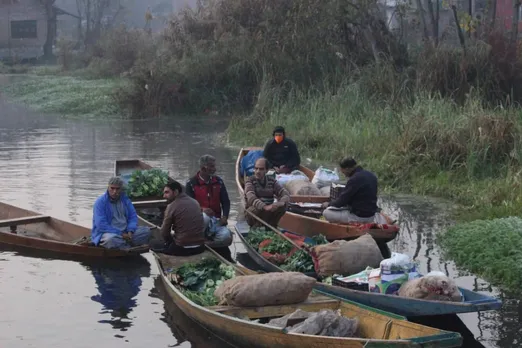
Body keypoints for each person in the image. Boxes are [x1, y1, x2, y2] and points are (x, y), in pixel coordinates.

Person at [186, 154, 233, 261]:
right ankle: (199, 238)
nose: (214, 169)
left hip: (216, 221)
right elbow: (188, 206)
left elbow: (226, 202)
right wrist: (202, 209)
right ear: (203, 168)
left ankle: (205, 242)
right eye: (211, 166)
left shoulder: (219, 182)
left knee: (226, 237)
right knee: (205, 216)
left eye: (214, 166)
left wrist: (224, 217)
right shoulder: (191, 183)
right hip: (199, 221)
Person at [321, 157, 387, 224]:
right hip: (371, 216)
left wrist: (328, 204)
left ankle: (350, 224)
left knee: (326, 212)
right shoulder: (372, 176)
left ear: (347, 169)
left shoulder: (354, 179)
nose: (343, 174)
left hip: (358, 217)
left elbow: (341, 202)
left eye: (343, 171)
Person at [91, 177, 151, 250]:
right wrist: (121, 234)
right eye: (112, 188)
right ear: (108, 187)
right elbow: (101, 225)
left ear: (121, 189)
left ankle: (124, 245)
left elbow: (132, 216)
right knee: (111, 240)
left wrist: (130, 230)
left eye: (117, 189)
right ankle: (128, 245)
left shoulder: (125, 200)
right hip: (109, 233)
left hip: (125, 231)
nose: (114, 191)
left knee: (146, 231)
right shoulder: (100, 202)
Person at [157, 180, 207, 256]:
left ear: (176, 192)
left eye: (167, 192)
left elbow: (164, 232)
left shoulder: (171, 206)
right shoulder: (195, 202)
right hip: (200, 247)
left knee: (153, 244)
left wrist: (169, 242)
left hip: (182, 248)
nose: (164, 196)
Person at [244, 157, 290, 228]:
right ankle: (255, 226)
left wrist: (280, 203)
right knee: (254, 209)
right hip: (255, 213)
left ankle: (271, 226)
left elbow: (285, 193)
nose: (258, 171)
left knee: (283, 206)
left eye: (261, 169)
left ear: (267, 170)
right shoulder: (250, 181)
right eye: (256, 168)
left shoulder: (272, 181)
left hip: (268, 212)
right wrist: (264, 207)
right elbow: (251, 197)